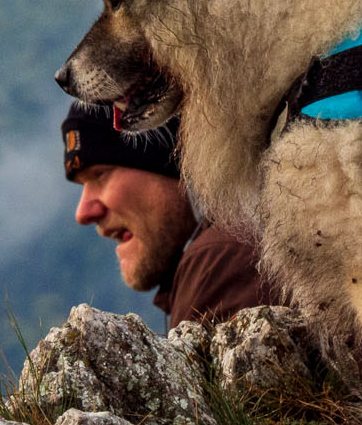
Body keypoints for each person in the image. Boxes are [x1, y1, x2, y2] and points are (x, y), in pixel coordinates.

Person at [62, 102, 283, 327]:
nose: (83, 213)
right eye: (82, 184)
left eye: (100, 175)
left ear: (172, 161)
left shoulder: (220, 260)